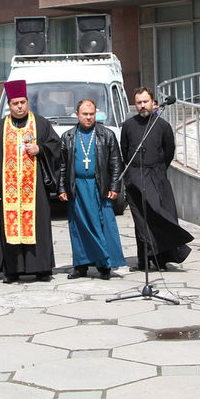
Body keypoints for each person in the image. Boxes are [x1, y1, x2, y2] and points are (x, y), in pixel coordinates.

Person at [0, 80, 61, 283]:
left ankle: (42, 269)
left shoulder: (41, 124)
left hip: (35, 190)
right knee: (10, 227)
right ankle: (12, 271)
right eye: (15, 103)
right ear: (9, 104)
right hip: (9, 192)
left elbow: (57, 147)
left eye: (22, 102)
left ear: (28, 102)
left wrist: (40, 149)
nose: (19, 106)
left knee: (38, 227)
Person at [120, 87, 192, 270]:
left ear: (153, 103)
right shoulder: (128, 125)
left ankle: (160, 258)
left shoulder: (162, 125)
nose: (142, 106)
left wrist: (157, 170)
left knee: (160, 217)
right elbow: (125, 150)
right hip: (136, 177)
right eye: (139, 102)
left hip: (157, 177)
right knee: (141, 222)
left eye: (145, 102)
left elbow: (169, 151)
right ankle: (144, 259)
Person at [59, 99, 126, 280]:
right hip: (78, 187)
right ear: (77, 115)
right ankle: (81, 266)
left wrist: (114, 186)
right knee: (79, 228)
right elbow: (63, 165)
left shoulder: (107, 135)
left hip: (99, 187)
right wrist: (62, 188)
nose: (88, 118)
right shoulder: (68, 136)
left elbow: (116, 163)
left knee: (103, 226)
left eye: (91, 114)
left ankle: (104, 265)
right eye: (85, 114)